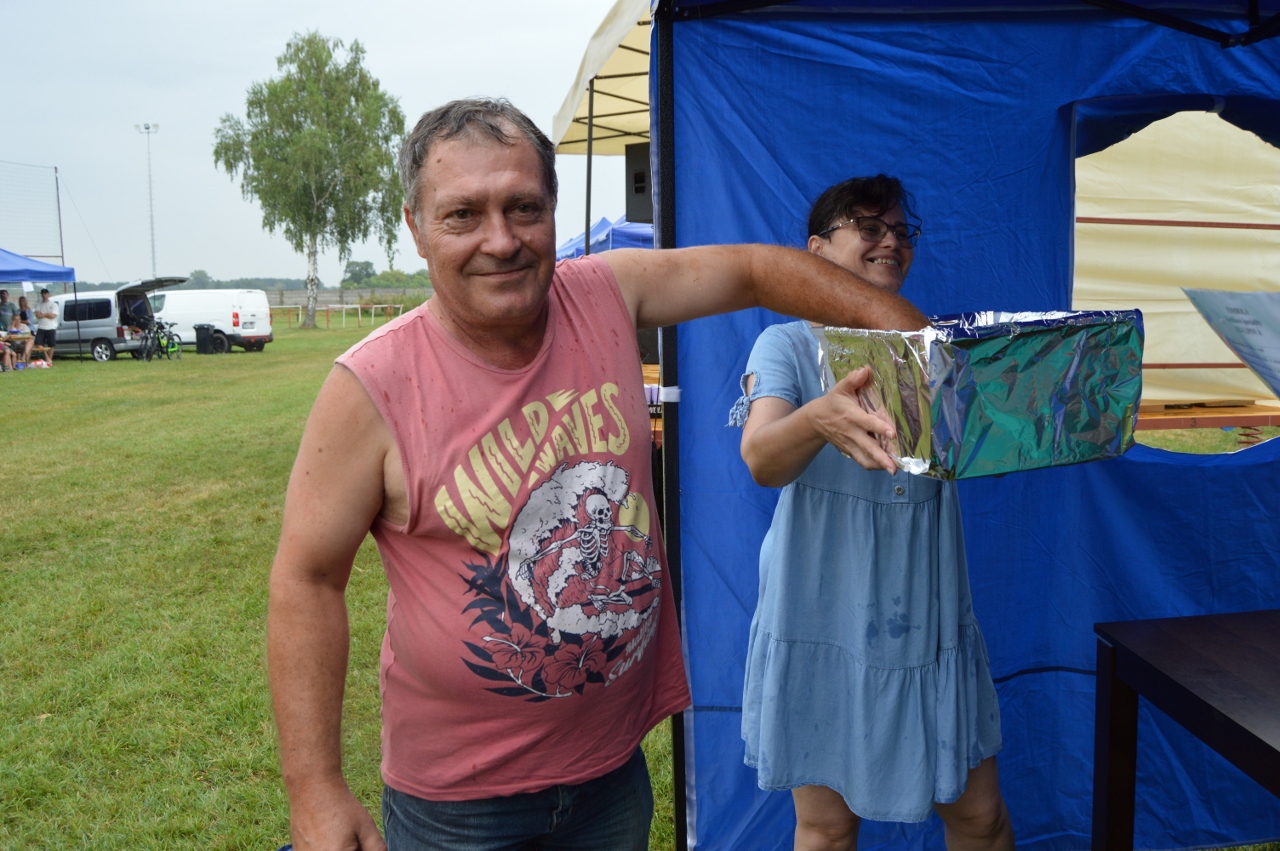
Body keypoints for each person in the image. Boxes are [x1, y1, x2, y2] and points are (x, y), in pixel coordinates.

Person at [268, 100, 929, 851]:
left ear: (553, 210)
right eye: (463, 215)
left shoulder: (605, 294)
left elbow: (754, 270)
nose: (501, 240)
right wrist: (314, 787)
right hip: (459, 803)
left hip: (612, 770)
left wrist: (908, 332)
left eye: (524, 208)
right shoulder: (371, 387)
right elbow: (307, 579)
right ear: (416, 227)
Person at [729, 175, 1014, 851]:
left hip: (927, 615)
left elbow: (1000, 439)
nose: (891, 241)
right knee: (827, 830)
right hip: (821, 615)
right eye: (869, 227)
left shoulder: (935, 347)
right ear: (817, 250)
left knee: (981, 821)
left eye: (900, 231)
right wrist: (818, 419)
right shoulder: (785, 346)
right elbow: (762, 459)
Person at [33, 289, 57, 363]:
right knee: (38, 343)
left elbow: (52, 316)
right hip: (41, 327)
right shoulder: (38, 304)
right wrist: (47, 314)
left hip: (51, 327)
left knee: (51, 345)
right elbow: (38, 315)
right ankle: (47, 358)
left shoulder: (53, 304)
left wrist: (43, 314)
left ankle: (49, 360)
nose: (44, 295)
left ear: (48, 294)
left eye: (45, 293)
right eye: (42, 294)